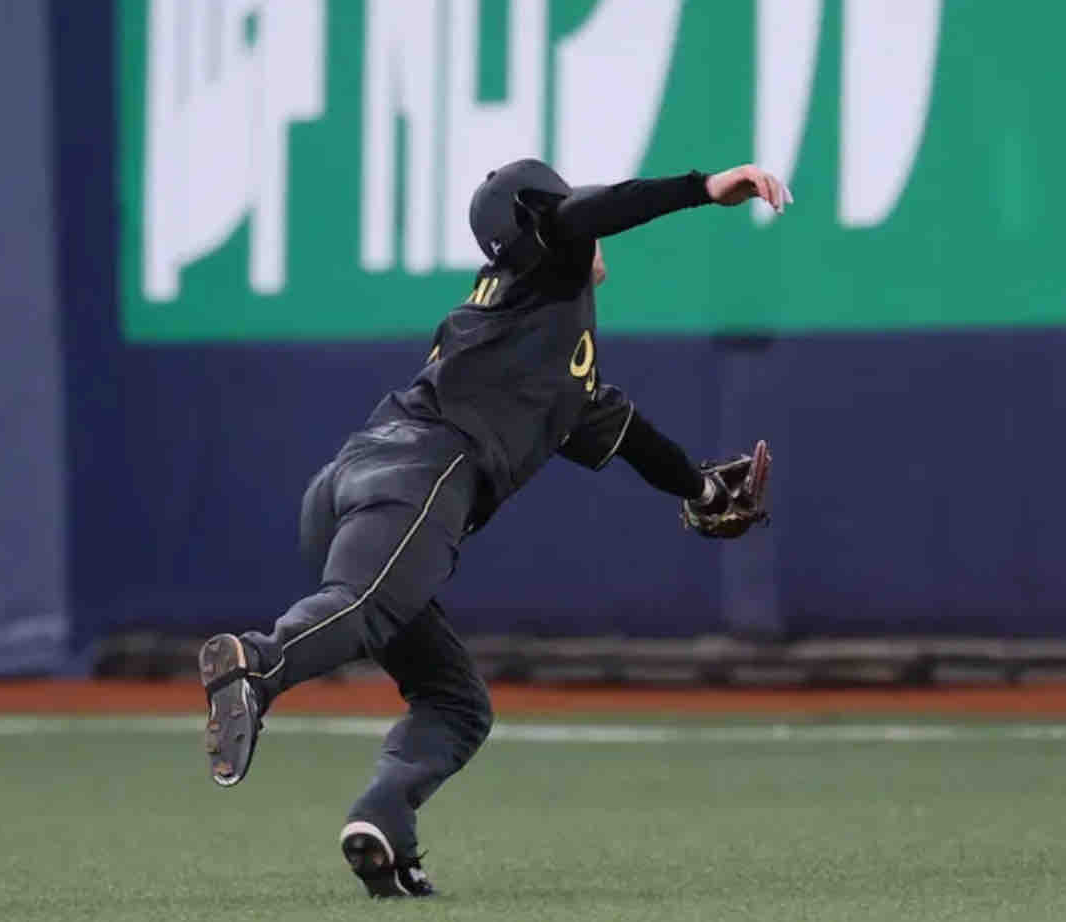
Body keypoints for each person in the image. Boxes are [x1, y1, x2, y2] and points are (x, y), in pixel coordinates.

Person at [198, 159, 790, 898]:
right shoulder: (548, 271)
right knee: (364, 606)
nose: (583, 223)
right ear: (542, 225)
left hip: (356, 483)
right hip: (422, 474)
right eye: (563, 208)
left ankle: (385, 822)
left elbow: (630, 436)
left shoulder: (540, 342)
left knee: (455, 703)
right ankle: (257, 665)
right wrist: (701, 189)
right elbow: (589, 214)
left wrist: (701, 489)